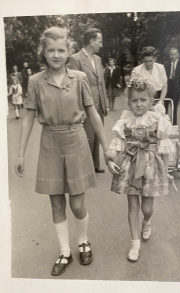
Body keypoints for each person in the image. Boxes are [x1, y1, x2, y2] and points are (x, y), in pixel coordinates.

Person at [14, 27, 109, 276]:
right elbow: (28, 118)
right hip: (50, 144)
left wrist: (107, 147)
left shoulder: (79, 78)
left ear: (68, 52)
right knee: (56, 204)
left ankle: (83, 241)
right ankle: (65, 252)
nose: (56, 55)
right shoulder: (35, 81)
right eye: (51, 50)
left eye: (61, 50)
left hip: (76, 140)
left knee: (77, 205)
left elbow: (92, 113)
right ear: (43, 53)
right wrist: (21, 153)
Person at [106, 75, 175, 262]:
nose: (138, 104)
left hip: (151, 168)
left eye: (143, 100)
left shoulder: (157, 119)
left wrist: (167, 171)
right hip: (130, 166)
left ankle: (147, 221)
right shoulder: (125, 120)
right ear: (128, 102)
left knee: (146, 207)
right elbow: (117, 143)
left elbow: (164, 145)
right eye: (134, 100)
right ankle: (134, 244)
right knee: (132, 206)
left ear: (151, 100)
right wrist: (110, 160)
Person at [67, 28, 109, 173]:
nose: (101, 45)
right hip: (86, 106)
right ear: (92, 42)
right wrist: (79, 108)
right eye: (100, 41)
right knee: (87, 137)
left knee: (97, 135)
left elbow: (101, 83)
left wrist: (106, 103)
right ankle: (86, 166)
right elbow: (73, 86)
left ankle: (95, 165)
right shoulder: (75, 59)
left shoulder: (98, 59)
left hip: (99, 105)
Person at [164, 47, 180, 125]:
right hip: (167, 88)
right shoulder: (166, 64)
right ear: (169, 55)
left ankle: (174, 124)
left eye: (175, 54)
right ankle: (164, 124)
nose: (173, 56)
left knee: (174, 107)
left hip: (176, 89)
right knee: (164, 107)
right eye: (171, 54)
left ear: (178, 55)